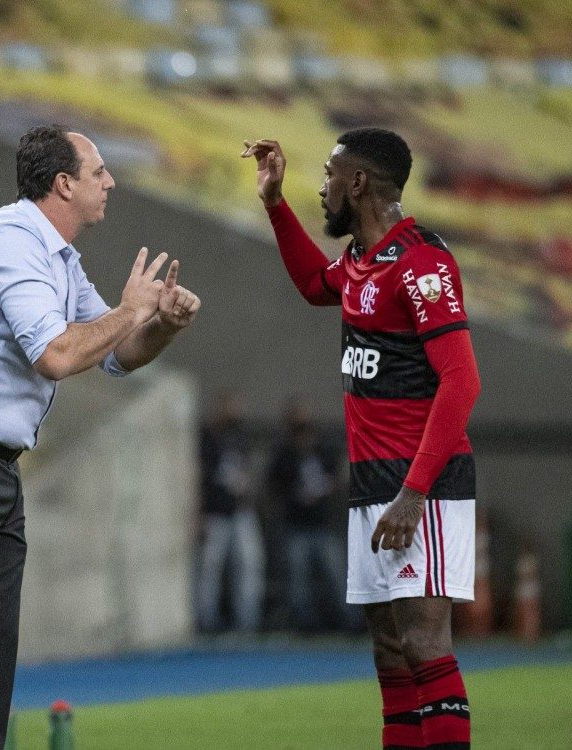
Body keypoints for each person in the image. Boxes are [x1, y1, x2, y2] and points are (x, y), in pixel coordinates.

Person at [0, 124, 201, 749]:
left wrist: (160, 323)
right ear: (64, 184)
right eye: (98, 171)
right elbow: (55, 356)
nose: (110, 182)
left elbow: (116, 356)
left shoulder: (57, 256)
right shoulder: (12, 242)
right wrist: (129, 310)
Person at [242, 129, 480, 749]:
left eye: (326, 174)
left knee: (426, 645)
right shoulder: (358, 263)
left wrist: (413, 494)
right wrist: (274, 202)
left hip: (419, 484)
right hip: (372, 483)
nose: (319, 188)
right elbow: (310, 284)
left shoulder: (423, 262)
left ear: (358, 183)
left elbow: (462, 381)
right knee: (389, 651)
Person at [266, 399, 350, 633]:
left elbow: (338, 477)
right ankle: (304, 625)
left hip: (323, 524)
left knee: (336, 575)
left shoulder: (324, 449)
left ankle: (347, 623)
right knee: (297, 581)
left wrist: (323, 491)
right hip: (296, 525)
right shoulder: (283, 454)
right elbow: (274, 486)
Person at [196, 391, 264, 634]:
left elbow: (250, 472)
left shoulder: (243, 437)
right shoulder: (209, 438)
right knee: (210, 569)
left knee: (248, 566)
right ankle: (207, 621)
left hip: (241, 512)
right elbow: (199, 478)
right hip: (216, 513)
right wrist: (199, 514)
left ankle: (247, 623)